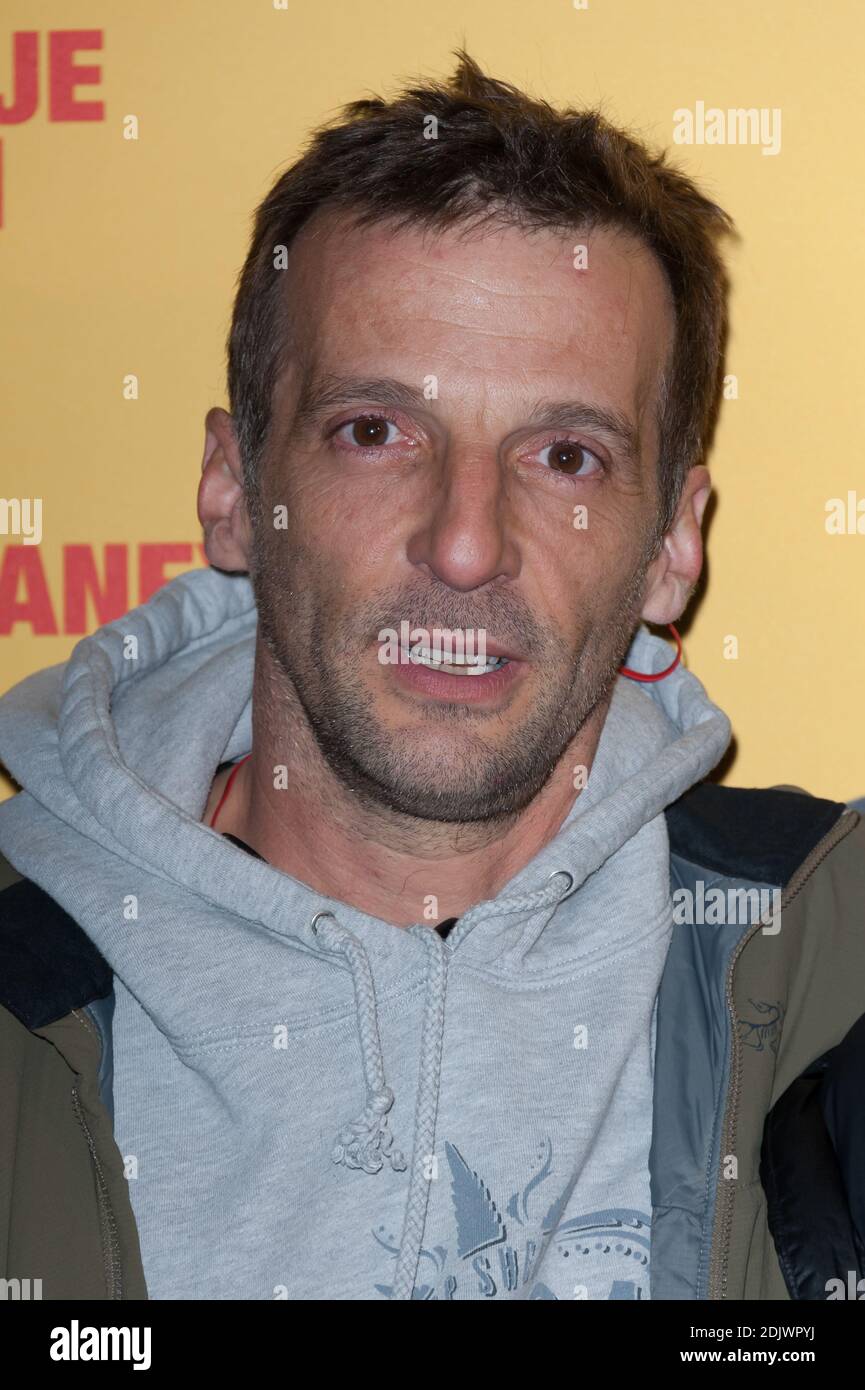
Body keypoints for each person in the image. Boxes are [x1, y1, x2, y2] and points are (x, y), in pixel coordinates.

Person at [1, 50, 863, 1303]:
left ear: (673, 545)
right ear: (236, 490)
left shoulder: (833, 955)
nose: (465, 542)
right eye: (375, 432)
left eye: (564, 455)